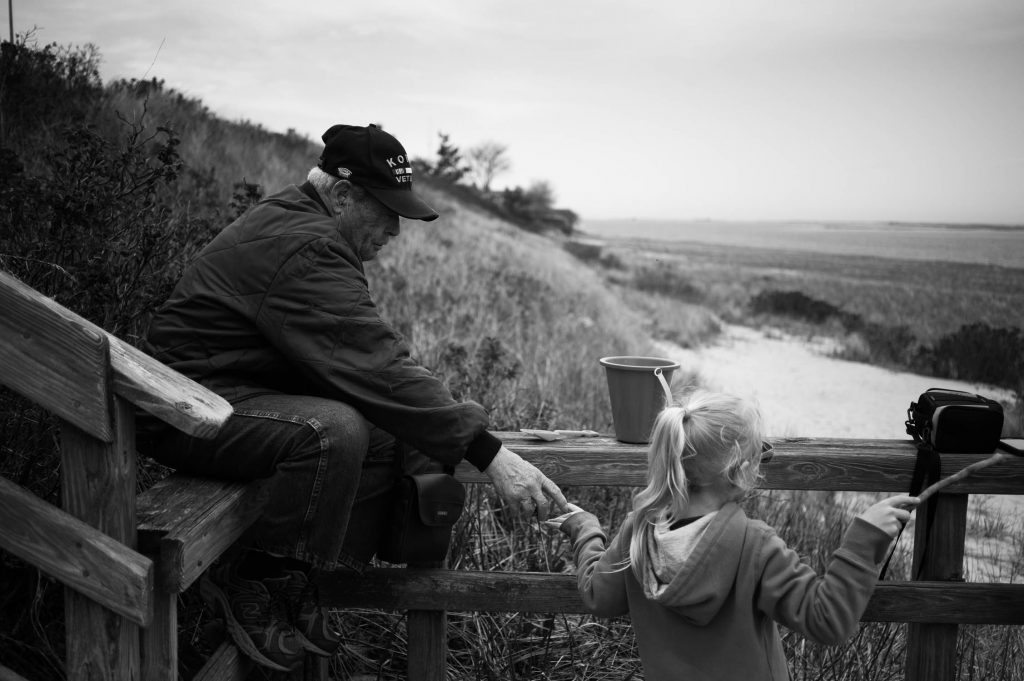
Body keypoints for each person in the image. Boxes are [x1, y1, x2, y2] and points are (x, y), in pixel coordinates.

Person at [141, 123, 568, 672]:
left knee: (384, 427)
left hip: (229, 396)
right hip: (189, 411)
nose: (395, 227)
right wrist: (490, 454)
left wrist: (438, 430)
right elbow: (375, 362)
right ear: (341, 194)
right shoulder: (307, 245)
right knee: (334, 430)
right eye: (386, 210)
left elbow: (365, 358)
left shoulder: (306, 226)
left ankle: (302, 579)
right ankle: (254, 580)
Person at [545, 387, 918, 681]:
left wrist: (584, 529)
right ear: (742, 472)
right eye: (761, 455)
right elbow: (827, 621)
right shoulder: (754, 545)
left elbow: (599, 597)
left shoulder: (638, 532)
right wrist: (863, 538)